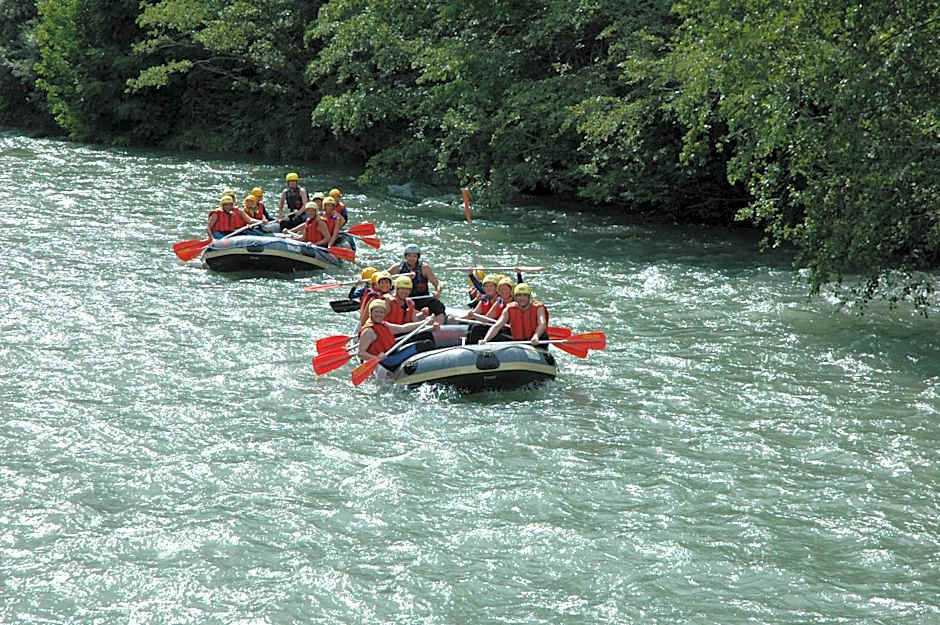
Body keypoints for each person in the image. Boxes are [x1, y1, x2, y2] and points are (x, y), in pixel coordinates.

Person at [357, 299, 433, 364]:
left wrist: (423, 322)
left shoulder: (383, 324)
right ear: (371, 313)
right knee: (426, 344)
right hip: (387, 360)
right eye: (376, 311)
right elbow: (361, 353)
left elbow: (403, 328)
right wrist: (376, 358)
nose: (379, 314)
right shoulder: (368, 331)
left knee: (426, 339)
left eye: (381, 312)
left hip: (392, 352)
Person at [386, 244, 445, 321]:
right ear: (406, 257)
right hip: (404, 298)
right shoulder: (398, 267)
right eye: (409, 256)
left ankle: (438, 323)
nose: (412, 258)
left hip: (422, 298)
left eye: (414, 256)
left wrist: (438, 292)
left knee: (438, 305)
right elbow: (383, 276)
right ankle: (419, 318)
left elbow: (437, 283)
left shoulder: (424, 267)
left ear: (418, 257)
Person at [479, 283, 549, 346]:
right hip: (519, 341)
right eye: (519, 295)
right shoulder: (509, 308)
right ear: (515, 297)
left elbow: (542, 323)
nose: (522, 298)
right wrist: (485, 339)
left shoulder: (538, 308)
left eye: (525, 295)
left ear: (529, 297)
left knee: (542, 337)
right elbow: (497, 326)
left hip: (536, 340)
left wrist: (536, 336)